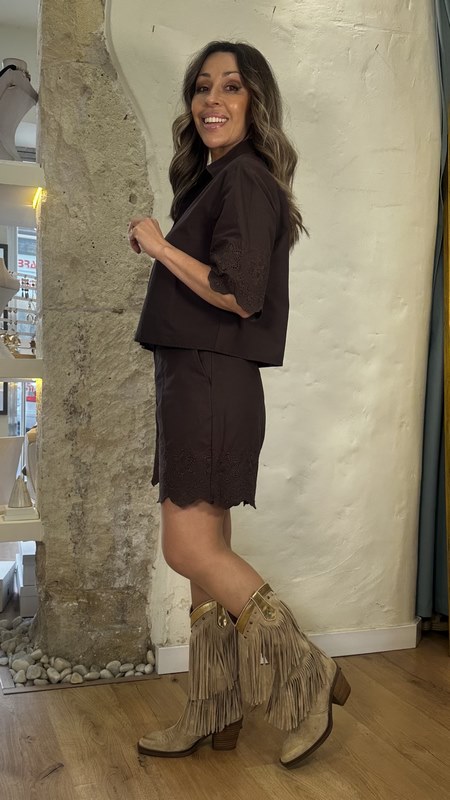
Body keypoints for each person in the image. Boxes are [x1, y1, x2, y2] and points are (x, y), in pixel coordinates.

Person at [129, 40, 350, 769]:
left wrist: (159, 246)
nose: (211, 100)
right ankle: (214, 706)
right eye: (202, 87)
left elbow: (238, 292)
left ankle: (307, 672)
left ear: (256, 102)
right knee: (206, 556)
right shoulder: (219, 179)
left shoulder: (246, 179)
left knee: (187, 548)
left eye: (230, 87)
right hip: (196, 378)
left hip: (209, 380)